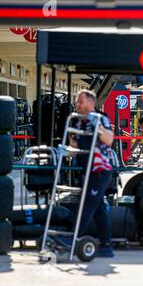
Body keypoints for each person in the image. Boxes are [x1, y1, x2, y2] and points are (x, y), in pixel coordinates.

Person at [59, 89, 115, 258]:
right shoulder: (77, 122)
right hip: (87, 169)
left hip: (100, 170)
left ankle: (72, 237)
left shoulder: (101, 119)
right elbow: (75, 145)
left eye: (80, 102)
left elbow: (109, 140)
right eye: (77, 102)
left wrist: (97, 127)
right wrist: (66, 151)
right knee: (98, 210)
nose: (77, 105)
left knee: (88, 204)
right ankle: (106, 246)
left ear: (91, 103)